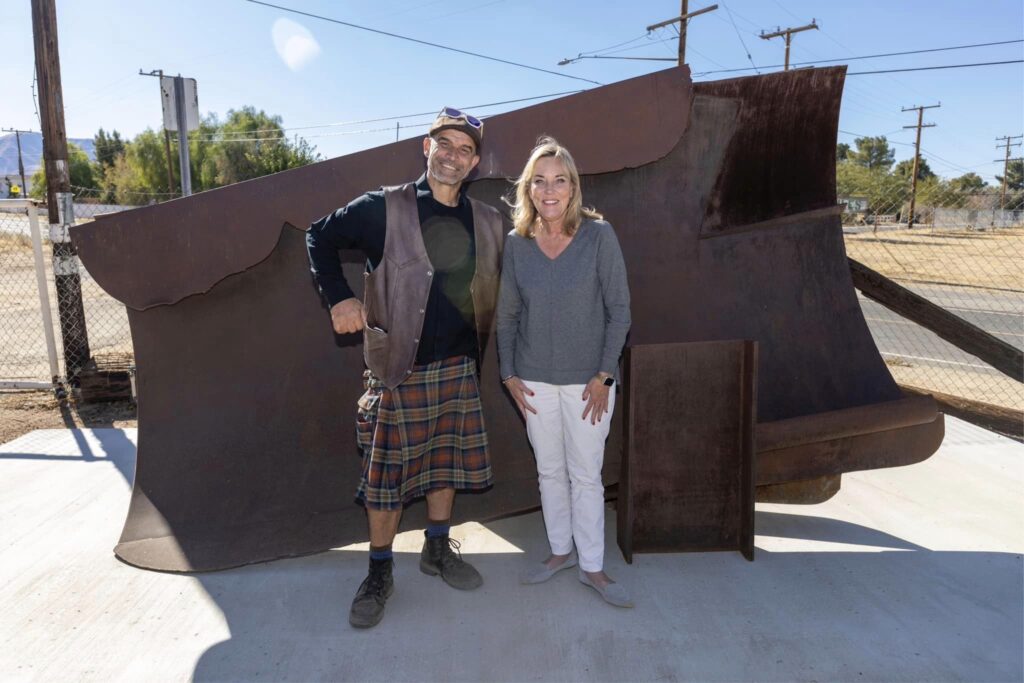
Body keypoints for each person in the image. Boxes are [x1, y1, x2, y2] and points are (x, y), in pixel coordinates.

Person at [306, 107, 504, 629]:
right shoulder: (384, 207)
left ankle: (437, 550)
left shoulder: (487, 221)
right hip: (398, 368)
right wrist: (339, 298)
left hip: (459, 368)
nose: (453, 156)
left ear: (475, 162)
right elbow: (318, 237)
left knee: (446, 466)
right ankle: (378, 571)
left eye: (465, 149)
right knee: (385, 481)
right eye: (445, 144)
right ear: (427, 146)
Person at [496, 137, 632, 607]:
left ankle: (592, 565)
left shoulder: (599, 236)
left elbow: (620, 312)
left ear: (573, 187)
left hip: (589, 383)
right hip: (533, 382)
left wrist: (604, 376)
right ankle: (560, 553)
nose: (548, 189)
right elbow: (507, 313)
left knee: (585, 475)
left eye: (558, 180)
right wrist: (508, 373)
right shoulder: (517, 244)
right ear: (528, 189)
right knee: (549, 472)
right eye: (539, 181)